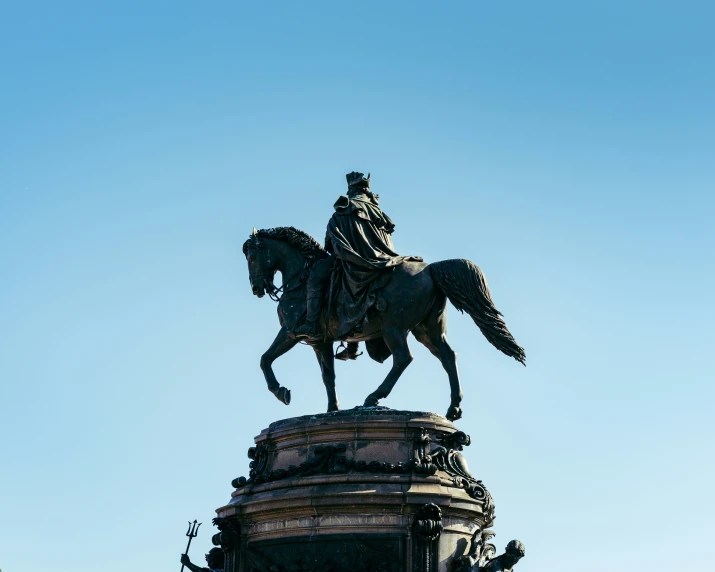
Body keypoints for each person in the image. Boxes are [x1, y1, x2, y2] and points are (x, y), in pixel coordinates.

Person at [293, 172, 412, 350]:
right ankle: (352, 345)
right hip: (384, 260)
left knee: (316, 277)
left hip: (354, 260)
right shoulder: (378, 212)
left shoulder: (344, 208)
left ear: (351, 189)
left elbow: (331, 244)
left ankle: (311, 323)